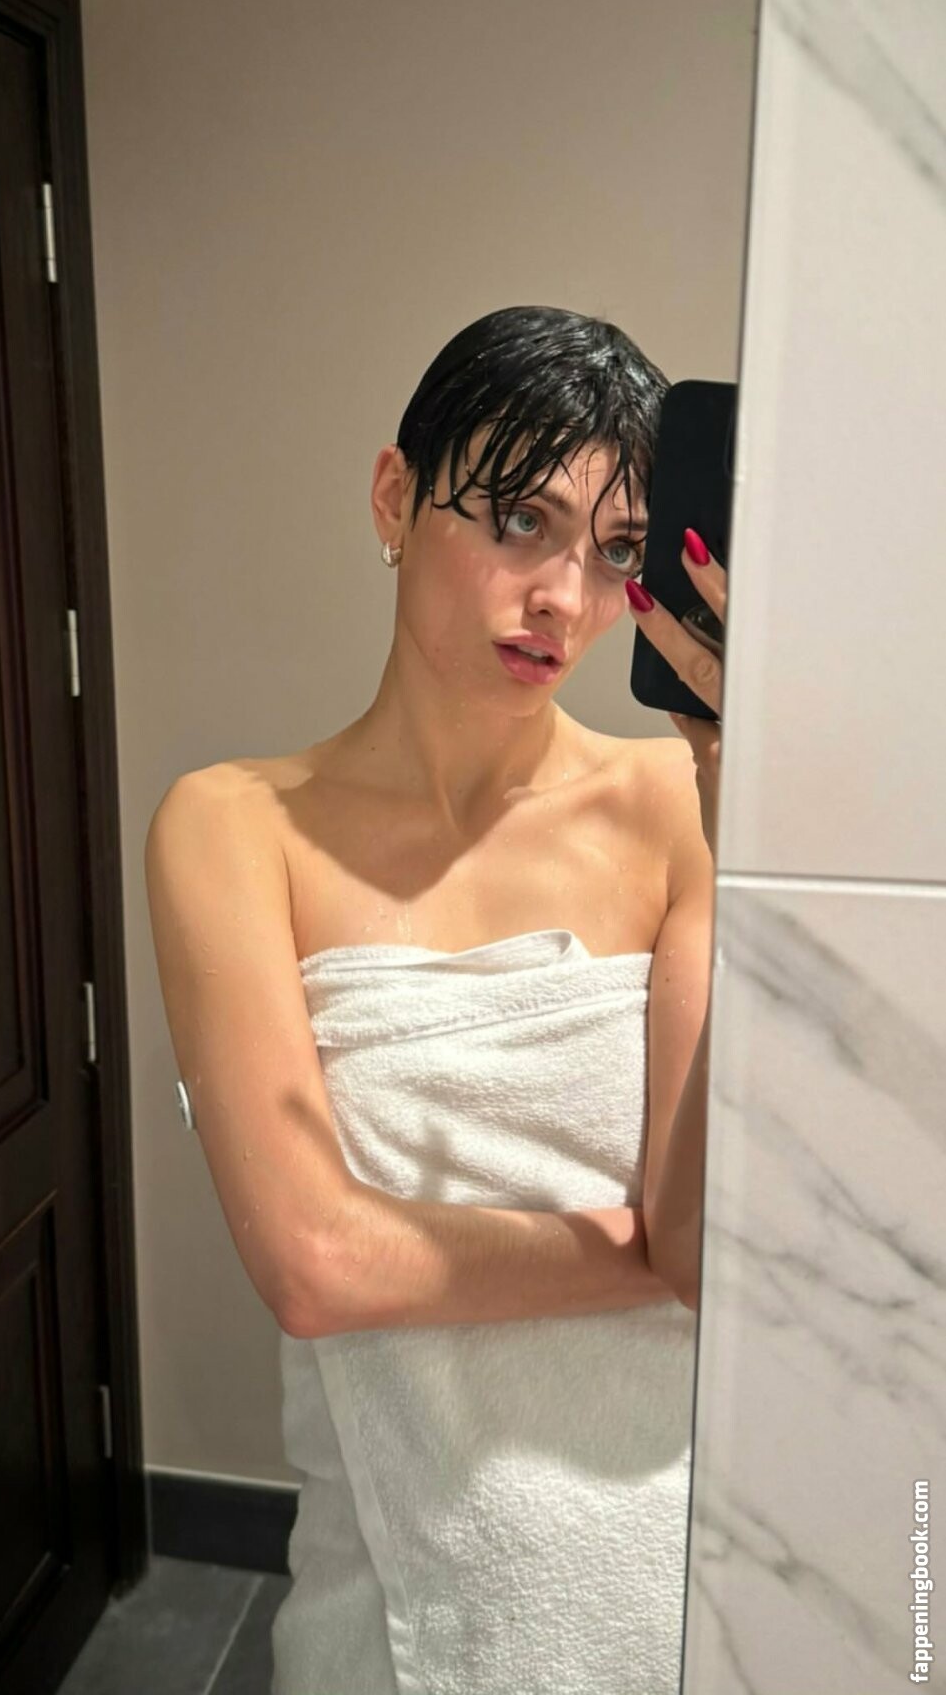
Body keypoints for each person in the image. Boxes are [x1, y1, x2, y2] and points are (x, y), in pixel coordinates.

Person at [144, 305, 725, 1694]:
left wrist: (737, 794)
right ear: (393, 499)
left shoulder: (676, 806)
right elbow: (314, 1266)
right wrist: (633, 1251)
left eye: (618, 551)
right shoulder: (233, 827)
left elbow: (707, 1243)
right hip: (401, 1593)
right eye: (520, 521)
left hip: (666, 1557)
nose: (565, 599)